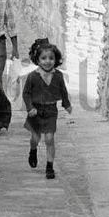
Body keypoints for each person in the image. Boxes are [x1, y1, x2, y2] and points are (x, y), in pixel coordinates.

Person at [23, 38, 72, 179]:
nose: (47, 61)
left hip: (51, 110)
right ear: (37, 60)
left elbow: (63, 90)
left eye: (51, 58)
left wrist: (66, 104)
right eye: (43, 58)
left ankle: (49, 166)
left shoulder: (58, 76)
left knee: (49, 138)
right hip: (35, 112)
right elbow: (26, 93)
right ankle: (33, 150)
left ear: (56, 59)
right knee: (36, 137)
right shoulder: (33, 76)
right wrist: (29, 107)